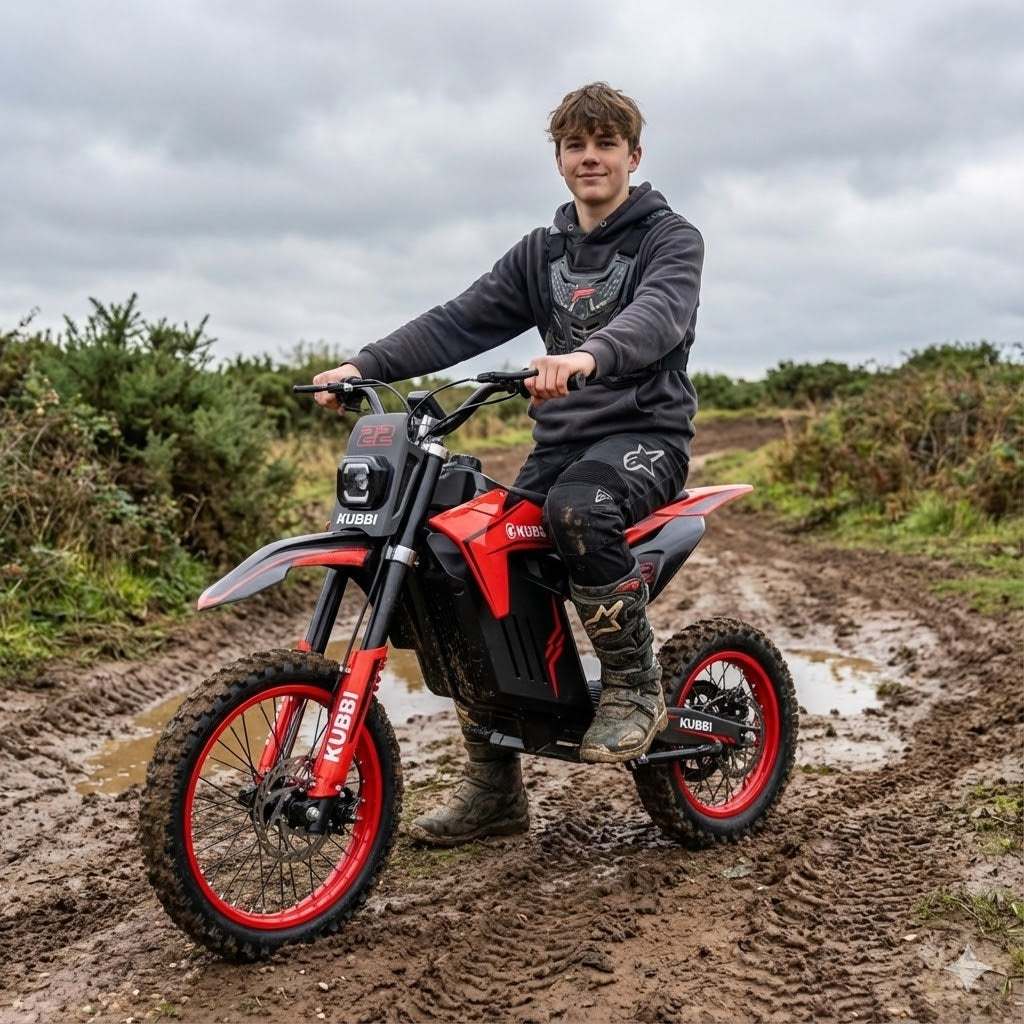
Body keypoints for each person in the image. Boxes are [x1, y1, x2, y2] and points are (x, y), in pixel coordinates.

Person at [313, 82, 704, 847]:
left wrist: (588, 354)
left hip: (645, 437)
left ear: (634, 154)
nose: (590, 157)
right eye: (575, 145)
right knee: (460, 563)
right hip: (560, 445)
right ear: (558, 158)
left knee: (578, 513)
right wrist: (363, 366)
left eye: (605, 143)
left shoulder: (670, 238)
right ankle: (494, 793)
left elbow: (659, 316)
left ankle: (632, 685)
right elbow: (460, 320)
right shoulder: (541, 252)